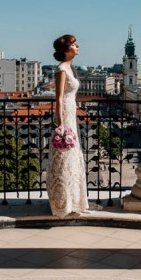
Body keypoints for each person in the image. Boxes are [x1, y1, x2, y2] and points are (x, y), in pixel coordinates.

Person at [47, 34, 89, 217]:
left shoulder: (70, 68)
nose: (78, 46)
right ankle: (62, 203)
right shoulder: (62, 69)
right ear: (66, 50)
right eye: (74, 44)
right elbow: (59, 97)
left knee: (71, 157)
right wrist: (61, 124)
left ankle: (73, 201)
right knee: (64, 156)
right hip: (65, 113)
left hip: (71, 112)